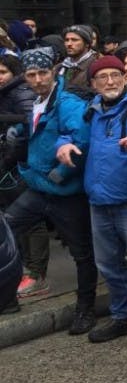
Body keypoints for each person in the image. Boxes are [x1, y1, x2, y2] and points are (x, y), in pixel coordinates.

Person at [56, 55, 127, 344]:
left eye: (116, 75)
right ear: (93, 83)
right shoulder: (91, 111)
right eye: (103, 77)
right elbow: (68, 134)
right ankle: (122, 318)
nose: (110, 81)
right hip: (99, 201)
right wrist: (63, 145)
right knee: (109, 266)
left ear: (125, 78)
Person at [1, 48, 97, 334]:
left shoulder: (67, 103)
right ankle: (7, 297)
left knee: (82, 254)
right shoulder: (37, 101)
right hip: (37, 188)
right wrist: (20, 136)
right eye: (31, 75)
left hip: (65, 192)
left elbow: (80, 141)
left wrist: (59, 174)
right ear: (25, 77)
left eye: (43, 73)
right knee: (6, 229)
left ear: (53, 72)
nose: (38, 79)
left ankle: (86, 309)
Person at [0, 53, 48, 298]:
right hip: (10, 166)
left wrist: (11, 154)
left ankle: (36, 274)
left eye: (2, 73)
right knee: (11, 221)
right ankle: (21, 271)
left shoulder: (21, 93)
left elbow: (33, 130)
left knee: (32, 222)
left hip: (22, 167)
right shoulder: (8, 93)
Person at [58, 25, 97, 90]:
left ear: (87, 44)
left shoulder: (95, 67)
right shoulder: (59, 68)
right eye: (67, 40)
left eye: (74, 40)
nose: (69, 44)